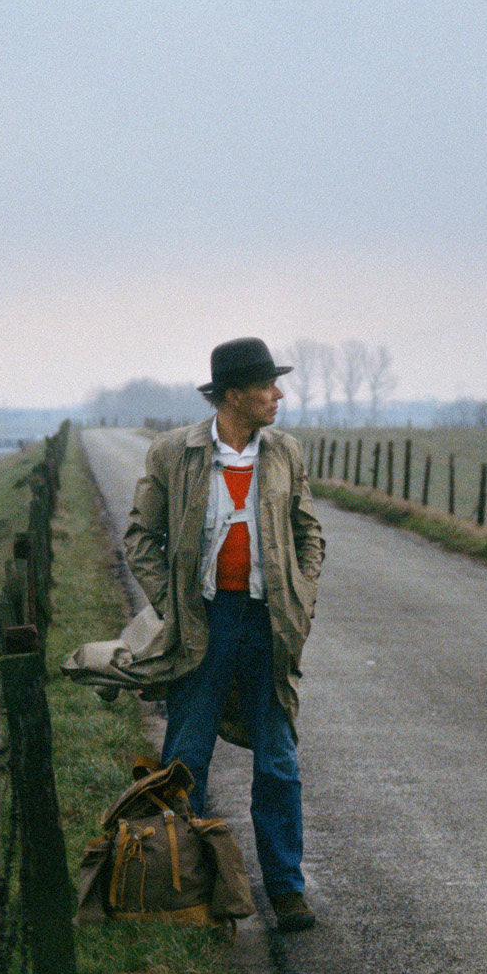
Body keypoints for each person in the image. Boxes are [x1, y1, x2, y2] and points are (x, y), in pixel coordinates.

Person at [122, 337, 325, 931]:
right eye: (267, 386)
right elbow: (141, 539)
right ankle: (184, 892)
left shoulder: (285, 452)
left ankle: (286, 891)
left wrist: (300, 597)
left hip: (268, 627)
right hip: (204, 626)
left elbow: (309, 534)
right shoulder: (172, 454)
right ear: (233, 395)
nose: (278, 395)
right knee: (185, 760)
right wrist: (177, 608)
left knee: (279, 762)